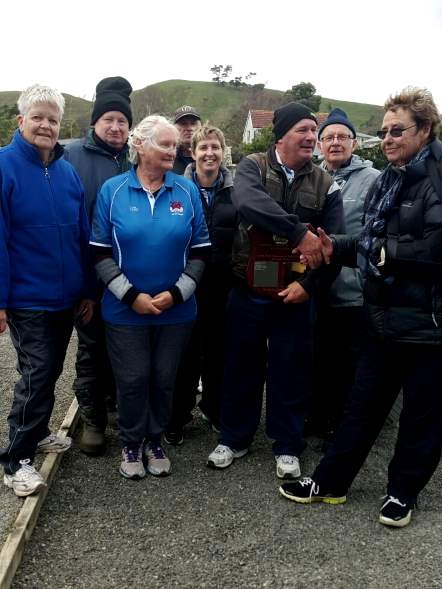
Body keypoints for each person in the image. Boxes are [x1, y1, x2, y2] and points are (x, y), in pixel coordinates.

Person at [279, 87, 442, 528]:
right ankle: (331, 482)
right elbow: (370, 239)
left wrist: (383, 256)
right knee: (362, 406)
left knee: (421, 417)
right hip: (383, 318)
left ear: (426, 129)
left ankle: (402, 493)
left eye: (398, 130)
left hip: (432, 326)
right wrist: (336, 244)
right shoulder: (390, 176)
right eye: (385, 130)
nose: (388, 138)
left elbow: (439, 248)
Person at [207, 102, 345, 479]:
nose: (310, 137)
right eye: (302, 129)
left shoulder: (325, 182)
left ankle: (287, 444)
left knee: (292, 370)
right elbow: (250, 204)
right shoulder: (252, 166)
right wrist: (299, 231)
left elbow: (334, 245)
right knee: (240, 366)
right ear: (281, 134)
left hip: (296, 295)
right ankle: (234, 437)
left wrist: (309, 287)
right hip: (248, 288)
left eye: (312, 130)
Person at [90, 115, 210, 480]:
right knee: (133, 380)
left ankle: (154, 440)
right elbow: (99, 252)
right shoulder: (112, 190)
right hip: (125, 312)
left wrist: (176, 293)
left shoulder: (185, 191)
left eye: (176, 145)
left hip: (177, 312)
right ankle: (130, 442)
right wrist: (132, 297)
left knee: (162, 378)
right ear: (139, 146)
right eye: (165, 144)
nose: (174, 151)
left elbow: (202, 251)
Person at [0, 84, 94, 497]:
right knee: (37, 374)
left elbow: (82, 233)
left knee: (51, 370)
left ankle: (36, 434)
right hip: (27, 297)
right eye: (37, 117)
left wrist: (88, 288)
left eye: (53, 120)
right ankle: (15, 460)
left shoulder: (65, 170)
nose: (45, 125)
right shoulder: (4, 167)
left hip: (67, 296)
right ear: (20, 121)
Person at [64, 76, 133, 455]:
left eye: (122, 121)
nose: (115, 127)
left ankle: (121, 408)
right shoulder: (71, 157)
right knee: (91, 348)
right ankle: (93, 419)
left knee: (125, 346)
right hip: (88, 274)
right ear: (95, 122)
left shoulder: (136, 158)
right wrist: (82, 286)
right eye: (108, 119)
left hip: (128, 276)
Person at [308, 109, 380, 446]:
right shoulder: (312, 177)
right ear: (319, 145)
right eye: (329, 137)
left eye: (342, 137)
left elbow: (375, 234)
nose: (335, 143)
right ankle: (318, 415)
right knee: (320, 357)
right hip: (318, 288)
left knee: (349, 365)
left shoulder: (373, 179)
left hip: (354, 291)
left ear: (353, 142)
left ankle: (343, 428)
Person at [165, 125, 237, 444]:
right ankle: (177, 417)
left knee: (219, 353)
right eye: (204, 147)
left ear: (224, 152)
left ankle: (214, 409)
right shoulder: (177, 188)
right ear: (192, 153)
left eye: (216, 147)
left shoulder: (238, 189)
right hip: (186, 286)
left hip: (224, 285)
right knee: (185, 355)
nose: (210, 153)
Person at [172, 105, 201, 174]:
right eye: (183, 124)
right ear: (173, 128)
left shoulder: (209, 155)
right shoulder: (168, 157)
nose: (189, 128)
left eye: (193, 123)